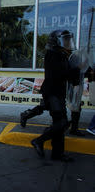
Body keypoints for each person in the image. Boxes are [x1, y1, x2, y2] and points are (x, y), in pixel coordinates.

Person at [30, 30, 80, 162]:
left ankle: (57, 154)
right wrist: (75, 70)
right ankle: (39, 141)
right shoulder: (52, 54)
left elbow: (69, 75)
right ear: (57, 40)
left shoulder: (63, 54)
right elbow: (58, 74)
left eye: (69, 39)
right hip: (52, 93)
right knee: (62, 123)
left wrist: (81, 71)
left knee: (60, 123)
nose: (68, 42)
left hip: (58, 93)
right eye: (66, 39)